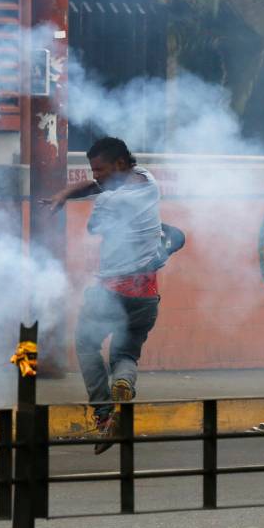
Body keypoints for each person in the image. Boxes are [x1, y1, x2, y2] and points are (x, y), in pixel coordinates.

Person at [44, 136, 163, 454]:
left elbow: (95, 228)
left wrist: (74, 197)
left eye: (100, 169)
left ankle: (104, 415)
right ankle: (123, 384)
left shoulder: (110, 202)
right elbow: (102, 186)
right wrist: (68, 193)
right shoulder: (150, 181)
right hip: (146, 295)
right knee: (125, 355)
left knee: (85, 344)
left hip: (110, 291)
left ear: (121, 165)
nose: (95, 175)